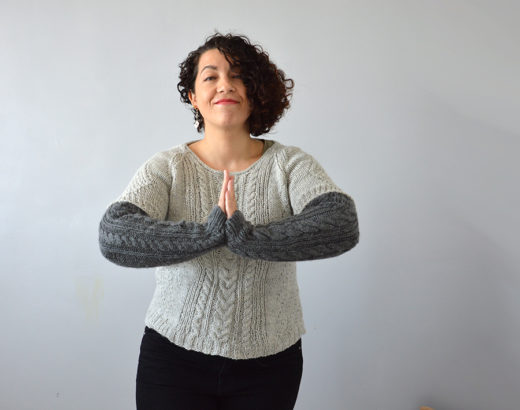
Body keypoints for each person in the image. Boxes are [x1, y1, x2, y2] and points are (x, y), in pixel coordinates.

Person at [99, 33, 359, 410]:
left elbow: (340, 221)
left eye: (238, 76)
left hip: (270, 363)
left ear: (255, 91)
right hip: (172, 359)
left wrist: (248, 239)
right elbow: (115, 234)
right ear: (193, 96)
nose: (225, 85)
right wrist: (207, 235)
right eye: (211, 76)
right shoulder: (167, 166)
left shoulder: (289, 164)